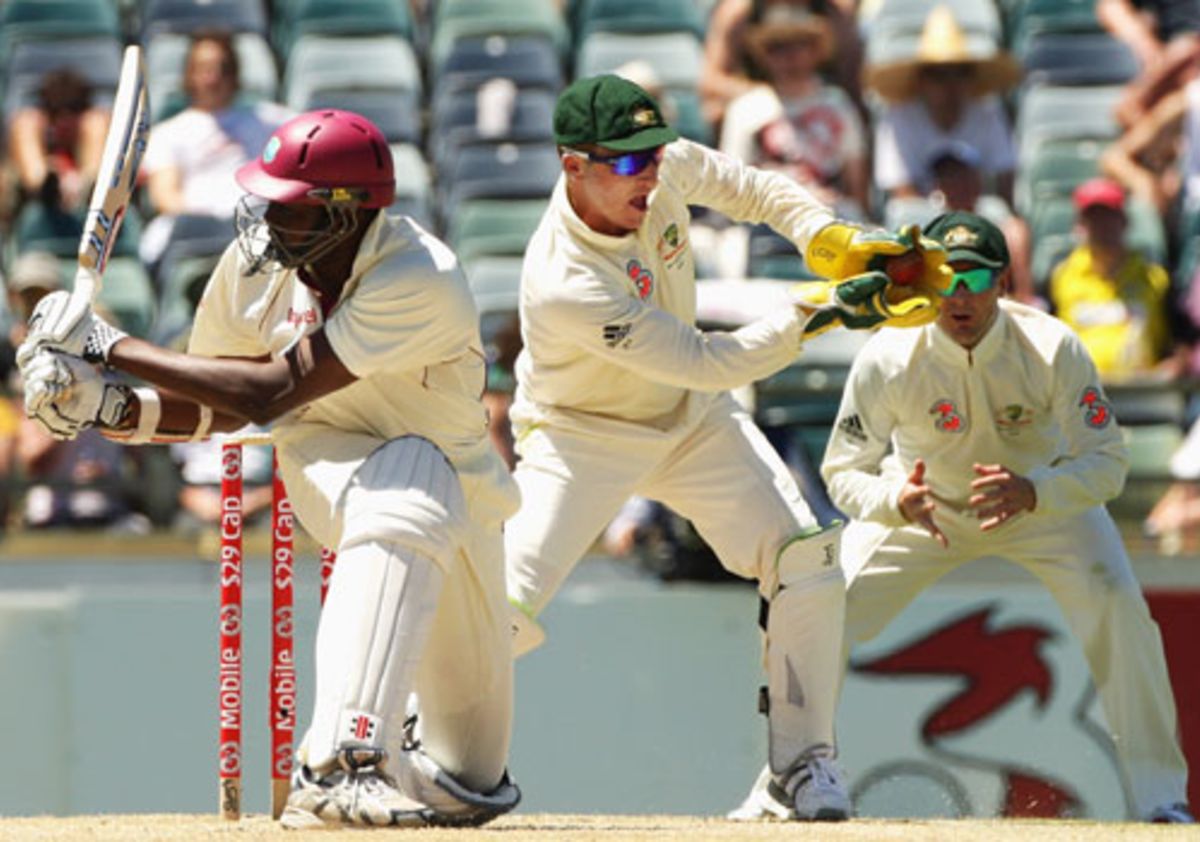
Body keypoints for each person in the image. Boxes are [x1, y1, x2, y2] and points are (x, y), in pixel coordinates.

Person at [17, 109, 522, 829]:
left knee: (466, 778)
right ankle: (339, 765)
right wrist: (105, 408)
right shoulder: (255, 268)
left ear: (344, 216)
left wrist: (109, 346)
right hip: (329, 459)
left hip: (468, 503)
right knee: (412, 481)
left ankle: (391, 739)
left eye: (286, 204)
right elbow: (224, 406)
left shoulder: (422, 276)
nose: (264, 215)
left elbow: (270, 390)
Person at [503, 73, 951, 821]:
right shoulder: (564, 279)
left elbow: (758, 191)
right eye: (623, 163)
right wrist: (828, 310)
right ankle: (428, 752)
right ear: (571, 164)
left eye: (652, 153)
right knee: (500, 611)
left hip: (691, 422)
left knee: (805, 557)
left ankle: (800, 770)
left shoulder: (664, 165)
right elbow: (708, 358)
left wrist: (828, 238)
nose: (647, 173)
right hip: (581, 434)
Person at [734, 210, 1194, 824]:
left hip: (1039, 503)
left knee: (1121, 610)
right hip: (923, 510)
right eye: (946, 280)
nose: (958, 297)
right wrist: (893, 503)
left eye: (975, 281)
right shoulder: (890, 355)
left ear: (1003, 284)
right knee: (818, 608)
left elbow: (1107, 464)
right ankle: (784, 784)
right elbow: (842, 471)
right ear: (925, 283)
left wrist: (1036, 492)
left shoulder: (1052, 347)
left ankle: (1161, 801)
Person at [140, 30, 290, 266]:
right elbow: (165, 197)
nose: (213, 78)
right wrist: (219, 219)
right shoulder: (168, 133)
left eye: (222, 68)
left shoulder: (267, 119)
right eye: (204, 69)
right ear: (190, 74)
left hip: (259, 229)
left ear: (234, 74)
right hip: (196, 235)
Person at [719, 4, 868, 218]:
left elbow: (856, 183)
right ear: (765, 55)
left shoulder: (838, 104)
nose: (789, 56)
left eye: (799, 45)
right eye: (777, 48)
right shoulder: (745, 108)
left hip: (830, 216)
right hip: (767, 221)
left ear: (815, 50)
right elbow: (730, 185)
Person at [867, 5, 1021, 208]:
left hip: (979, 218)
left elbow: (1005, 183)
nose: (951, 84)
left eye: (961, 72)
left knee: (1016, 232)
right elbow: (903, 194)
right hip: (923, 225)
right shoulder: (899, 117)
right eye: (938, 74)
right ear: (921, 80)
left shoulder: (987, 112)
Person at [1049, 178, 1185, 382]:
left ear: (1125, 221)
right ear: (1080, 226)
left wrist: (1176, 365)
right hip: (1079, 394)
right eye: (1093, 219)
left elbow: (1182, 341)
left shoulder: (1155, 278)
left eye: (1109, 217)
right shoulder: (1061, 276)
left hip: (1144, 394)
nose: (1102, 227)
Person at [700, 0, 863, 131]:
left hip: (821, 123)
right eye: (776, 48)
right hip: (758, 120)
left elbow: (853, 82)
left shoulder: (833, 12)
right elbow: (711, 81)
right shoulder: (738, 10)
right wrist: (769, 96)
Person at [6, 68, 109, 213]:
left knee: (97, 121)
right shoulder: (32, 123)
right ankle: (45, 187)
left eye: (74, 109)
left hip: (91, 191)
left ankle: (88, 187)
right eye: (54, 111)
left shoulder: (94, 122)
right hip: (33, 195)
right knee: (25, 121)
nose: (64, 120)